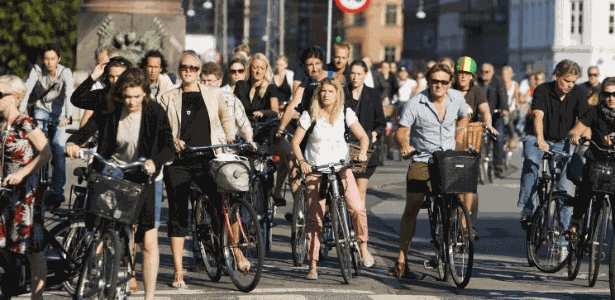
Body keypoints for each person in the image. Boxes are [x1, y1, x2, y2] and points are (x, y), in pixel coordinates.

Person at [66, 68, 174, 300]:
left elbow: (168, 146)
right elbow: (88, 128)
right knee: (101, 226)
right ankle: (96, 272)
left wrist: (155, 162)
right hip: (114, 171)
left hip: (144, 176)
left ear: (145, 93)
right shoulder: (111, 108)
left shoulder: (155, 111)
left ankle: (149, 296)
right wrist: (74, 142)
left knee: (148, 239)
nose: (132, 101)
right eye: (127, 96)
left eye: (136, 96)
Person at [157, 50, 234, 289]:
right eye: (184, 67)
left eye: (193, 67)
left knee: (223, 205)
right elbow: (159, 130)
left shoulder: (213, 94)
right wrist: (172, 141)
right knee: (178, 215)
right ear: (178, 70)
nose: (188, 71)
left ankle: (234, 253)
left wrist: (230, 137)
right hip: (179, 161)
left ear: (199, 71)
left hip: (208, 159)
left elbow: (226, 116)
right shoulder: (166, 97)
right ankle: (178, 271)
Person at [391, 62, 469, 279]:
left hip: (448, 158)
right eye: (435, 81)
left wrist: (460, 132)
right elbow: (402, 130)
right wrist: (405, 145)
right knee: (413, 204)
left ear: (450, 83)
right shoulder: (415, 103)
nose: (439, 85)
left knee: (458, 196)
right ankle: (401, 259)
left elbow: (465, 114)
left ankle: (453, 237)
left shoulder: (457, 98)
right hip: (423, 159)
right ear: (429, 81)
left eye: (444, 82)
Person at [291, 77, 371, 280]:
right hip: (317, 170)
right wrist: (302, 161)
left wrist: (362, 152)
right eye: (323, 91)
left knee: (357, 208)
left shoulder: (345, 112)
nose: (326, 94)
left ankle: (363, 246)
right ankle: (313, 264)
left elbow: (363, 136)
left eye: (330, 91)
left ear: (338, 95)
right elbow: (296, 142)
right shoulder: (310, 115)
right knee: (314, 219)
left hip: (341, 168)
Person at [517, 60, 589, 264]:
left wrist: (580, 136)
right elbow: (537, 116)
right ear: (556, 76)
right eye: (566, 80)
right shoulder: (542, 90)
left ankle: (564, 240)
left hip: (563, 142)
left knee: (565, 190)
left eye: (573, 82)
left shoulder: (578, 93)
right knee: (531, 162)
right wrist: (539, 138)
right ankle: (528, 207)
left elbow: (585, 119)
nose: (570, 85)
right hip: (539, 138)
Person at [0, 75, 52, 300]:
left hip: (27, 193)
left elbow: (47, 152)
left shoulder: (25, 123)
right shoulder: (2, 124)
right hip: (6, 192)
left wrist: (21, 173)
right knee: (4, 243)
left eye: (0, 94)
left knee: (32, 249)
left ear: (14, 98)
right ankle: (11, 286)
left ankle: (36, 297)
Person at [19, 43, 75, 207]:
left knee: (58, 146)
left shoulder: (65, 72)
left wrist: (67, 116)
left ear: (59, 59)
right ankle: (33, 185)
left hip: (59, 114)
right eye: (46, 59)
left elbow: (69, 94)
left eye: (53, 59)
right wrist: (22, 110)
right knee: (37, 146)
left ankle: (57, 190)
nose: (49, 62)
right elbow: (28, 88)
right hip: (41, 110)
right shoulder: (37, 70)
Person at [451, 56, 496, 240]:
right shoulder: (449, 90)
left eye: (466, 74)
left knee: (470, 186)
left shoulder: (476, 91)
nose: (462, 77)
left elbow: (485, 110)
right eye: (460, 73)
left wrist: (488, 123)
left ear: (472, 76)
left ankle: (468, 223)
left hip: (470, 140)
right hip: (450, 141)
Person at [566, 77, 615, 241]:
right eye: (607, 94)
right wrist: (575, 137)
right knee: (586, 189)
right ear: (602, 95)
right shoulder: (594, 111)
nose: (611, 98)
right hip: (596, 161)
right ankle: (575, 223)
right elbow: (575, 131)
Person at [347, 60, 385, 268]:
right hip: (342, 150)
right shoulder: (341, 93)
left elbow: (381, 121)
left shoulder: (372, 94)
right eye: (352, 73)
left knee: (360, 197)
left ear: (365, 75)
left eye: (359, 74)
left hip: (364, 152)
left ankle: (362, 243)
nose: (355, 77)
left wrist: (374, 133)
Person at [72, 56, 132, 128]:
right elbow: (76, 99)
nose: (115, 80)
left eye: (119, 76)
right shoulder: (102, 96)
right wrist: (94, 75)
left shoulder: (137, 96)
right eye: (111, 77)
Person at [477, 62, 509, 178]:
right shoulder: (477, 82)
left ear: (492, 72)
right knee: (475, 137)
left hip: (495, 114)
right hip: (480, 115)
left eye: (487, 72)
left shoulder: (498, 81)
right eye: (482, 72)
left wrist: (504, 108)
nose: (484, 74)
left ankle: (498, 164)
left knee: (498, 136)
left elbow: (503, 95)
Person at [233, 53, 280, 120]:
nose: (258, 71)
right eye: (255, 68)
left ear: (266, 70)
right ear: (249, 68)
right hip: (242, 125)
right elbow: (233, 107)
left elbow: (275, 111)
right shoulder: (240, 85)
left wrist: (263, 112)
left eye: (262, 68)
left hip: (262, 126)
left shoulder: (271, 87)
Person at [502, 66, 521, 149]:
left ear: (510, 75)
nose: (504, 76)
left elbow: (516, 97)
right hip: (502, 108)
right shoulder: (500, 84)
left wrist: (517, 105)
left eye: (506, 74)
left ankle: (512, 139)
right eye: (503, 74)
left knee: (510, 122)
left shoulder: (514, 84)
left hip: (511, 108)